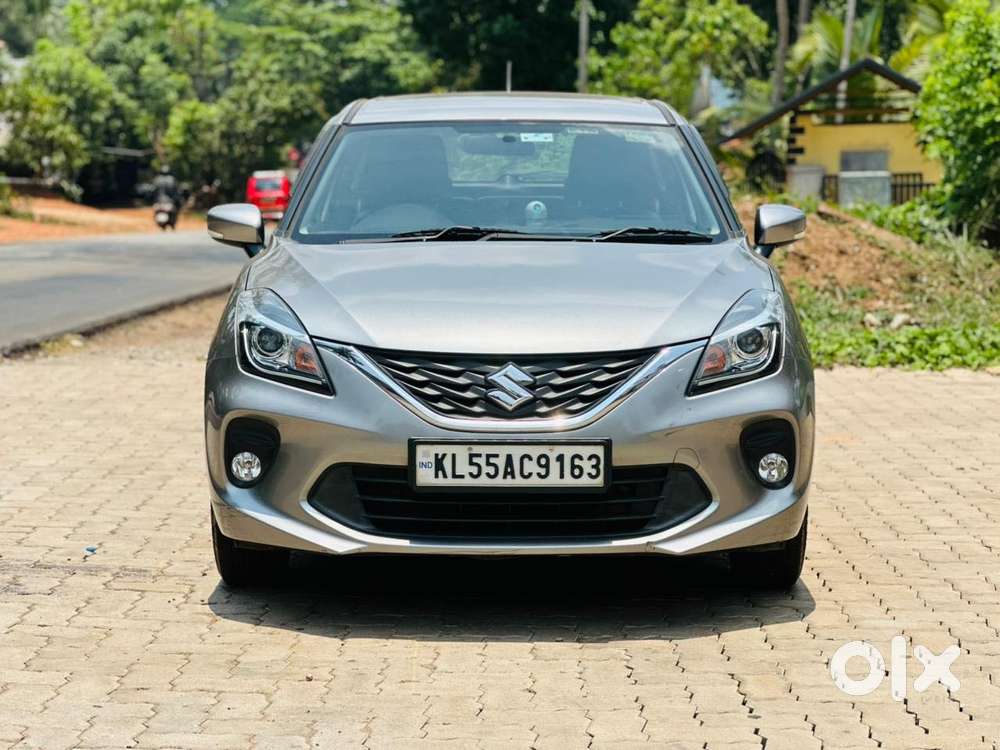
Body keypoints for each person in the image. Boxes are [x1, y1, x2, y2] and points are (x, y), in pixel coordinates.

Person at [152, 164, 180, 229]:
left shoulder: (157, 179)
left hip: (158, 201)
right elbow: (175, 191)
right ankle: (172, 223)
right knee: (176, 209)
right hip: (169, 201)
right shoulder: (172, 179)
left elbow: (153, 191)